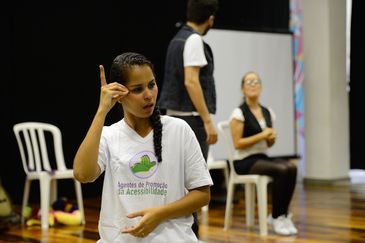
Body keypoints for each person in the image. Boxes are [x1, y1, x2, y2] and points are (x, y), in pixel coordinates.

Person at [73, 52, 213, 243]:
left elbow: (202, 195)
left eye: (151, 85)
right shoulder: (109, 135)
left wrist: (160, 214)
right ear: (119, 94)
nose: (148, 95)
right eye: (137, 89)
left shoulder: (179, 130)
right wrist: (101, 111)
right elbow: (82, 174)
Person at [157, 0, 219, 237]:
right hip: (191, 121)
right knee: (195, 188)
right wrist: (207, 121)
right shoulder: (193, 40)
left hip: (176, 118)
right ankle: (190, 237)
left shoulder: (177, 38)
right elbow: (191, 81)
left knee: (180, 185)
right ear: (210, 18)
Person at [228, 71, 298, 236]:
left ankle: (283, 214)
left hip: (261, 158)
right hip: (243, 161)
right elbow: (237, 144)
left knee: (291, 167)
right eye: (248, 82)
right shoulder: (238, 113)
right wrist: (263, 134)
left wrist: (271, 137)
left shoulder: (268, 112)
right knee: (281, 170)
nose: (253, 84)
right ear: (242, 89)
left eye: (256, 81)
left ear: (261, 87)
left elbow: (268, 143)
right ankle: (276, 216)